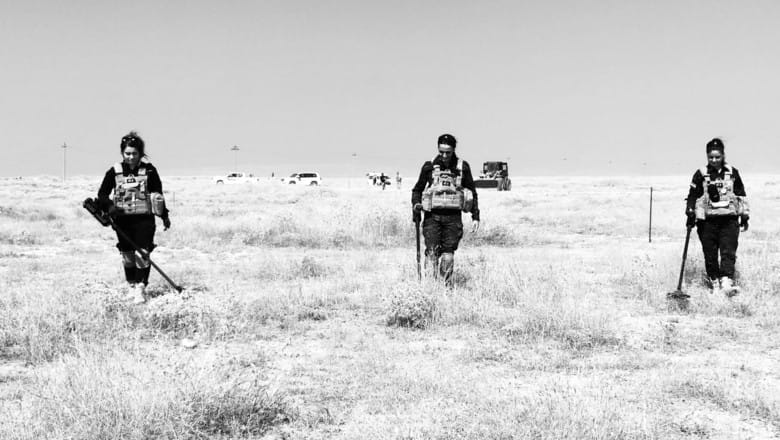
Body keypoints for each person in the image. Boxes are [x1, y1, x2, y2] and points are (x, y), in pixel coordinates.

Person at [97, 132, 171, 304]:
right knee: (128, 256)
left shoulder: (150, 171)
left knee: (142, 254)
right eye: (127, 153)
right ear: (122, 153)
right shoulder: (114, 172)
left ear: (140, 153)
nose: (131, 157)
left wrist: (164, 216)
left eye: (134, 153)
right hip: (122, 220)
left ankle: (140, 288)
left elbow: (158, 195)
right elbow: (102, 194)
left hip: (144, 220)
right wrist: (109, 207)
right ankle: (131, 286)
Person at [412, 134, 480, 285]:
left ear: (454, 150)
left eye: (448, 152)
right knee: (431, 254)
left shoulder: (462, 167)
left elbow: (472, 192)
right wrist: (416, 206)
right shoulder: (429, 166)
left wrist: (476, 216)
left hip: (453, 219)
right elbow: (417, 190)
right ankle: (430, 288)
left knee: (448, 256)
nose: (444, 155)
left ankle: (445, 288)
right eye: (441, 151)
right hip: (432, 218)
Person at [685, 138, 749, 296]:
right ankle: (714, 283)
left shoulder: (732, 172)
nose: (714, 160)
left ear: (723, 155)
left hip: (729, 221)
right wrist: (690, 210)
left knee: (728, 251)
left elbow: (741, 195)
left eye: (717, 157)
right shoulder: (701, 174)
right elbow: (693, 195)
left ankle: (727, 282)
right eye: (711, 157)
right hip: (707, 223)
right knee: (710, 254)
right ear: (707, 156)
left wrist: (745, 216)